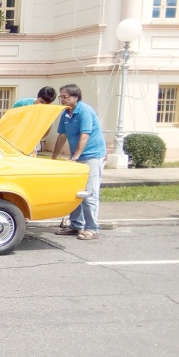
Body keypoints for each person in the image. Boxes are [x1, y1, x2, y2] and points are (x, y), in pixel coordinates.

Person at [52, 83, 107, 241]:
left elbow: (85, 135)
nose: (62, 99)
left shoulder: (84, 111)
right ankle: (76, 225)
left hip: (92, 156)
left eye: (65, 96)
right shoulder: (66, 113)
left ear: (75, 97)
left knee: (89, 193)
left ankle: (92, 229)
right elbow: (62, 136)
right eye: (60, 96)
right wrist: (54, 158)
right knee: (75, 192)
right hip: (77, 156)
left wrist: (75, 157)